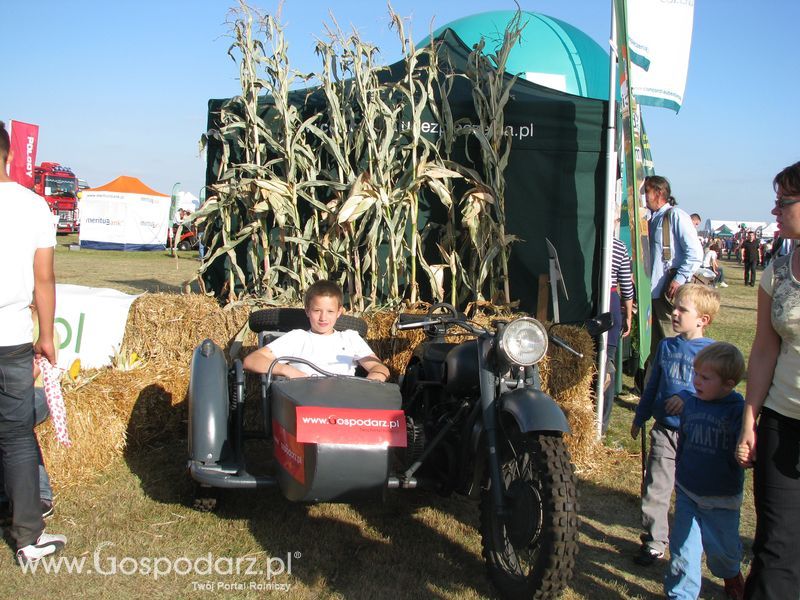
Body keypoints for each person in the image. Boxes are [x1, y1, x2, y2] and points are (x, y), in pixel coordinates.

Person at [0, 121, 66, 564]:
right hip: (11, 339)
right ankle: (27, 537)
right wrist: (46, 336)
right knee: (16, 436)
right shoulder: (33, 206)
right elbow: (44, 279)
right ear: (8, 154)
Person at [736, 161, 800, 599]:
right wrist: (750, 419)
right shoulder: (776, 270)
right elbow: (763, 349)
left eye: (783, 202)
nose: (774, 210)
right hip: (783, 420)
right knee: (776, 548)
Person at [631, 283, 719, 566]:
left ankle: (689, 538)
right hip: (665, 431)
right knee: (656, 484)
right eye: (674, 307)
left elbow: (720, 390)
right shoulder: (666, 346)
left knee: (690, 491)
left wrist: (688, 396)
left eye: (683, 309)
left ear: (702, 320)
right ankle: (655, 541)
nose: (675, 313)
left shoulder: (713, 353)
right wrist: (640, 415)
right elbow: (652, 384)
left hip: (696, 434)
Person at [663, 342, 746, 600]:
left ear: (728, 384)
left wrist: (744, 454)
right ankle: (681, 595)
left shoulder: (737, 410)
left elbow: (747, 447)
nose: (696, 381)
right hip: (689, 492)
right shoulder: (692, 404)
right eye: (696, 374)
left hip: (721, 498)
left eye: (705, 378)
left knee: (722, 551)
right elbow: (684, 440)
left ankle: (731, 575)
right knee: (682, 550)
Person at [243, 280, 390, 381]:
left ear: (339, 312)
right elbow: (251, 361)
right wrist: (288, 371)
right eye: (317, 310)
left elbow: (379, 367)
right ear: (307, 310)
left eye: (330, 312)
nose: (323, 318)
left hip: (345, 400)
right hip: (305, 401)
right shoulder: (297, 338)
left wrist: (372, 381)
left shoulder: (350, 338)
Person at [645, 175, 703, 358]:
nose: (644, 196)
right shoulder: (654, 217)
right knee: (658, 347)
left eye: (646, 191)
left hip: (668, 293)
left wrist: (678, 279)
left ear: (658, 192)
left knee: (673, 342)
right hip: (655, 292)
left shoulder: (675, 215)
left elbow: (695, 253)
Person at [602, 236, 634, 434]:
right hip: (611, 302)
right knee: (608, 362)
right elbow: (626, 286)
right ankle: (602, 423)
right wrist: (628, 315)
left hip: (599, 302)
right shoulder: (619, 246)